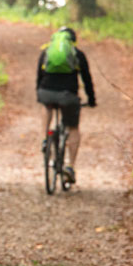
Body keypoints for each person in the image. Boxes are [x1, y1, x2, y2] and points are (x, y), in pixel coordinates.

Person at [36, 26, 96, 183]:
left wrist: (39, 95)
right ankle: (70, 166)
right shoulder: (77, 54)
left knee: (46, 106)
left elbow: (39, 76)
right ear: (73, 41)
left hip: (46, 92)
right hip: (68, 96)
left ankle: (45, 139)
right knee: (73, 128)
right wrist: (91, 99)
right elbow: (87, 79)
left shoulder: (47, 51)